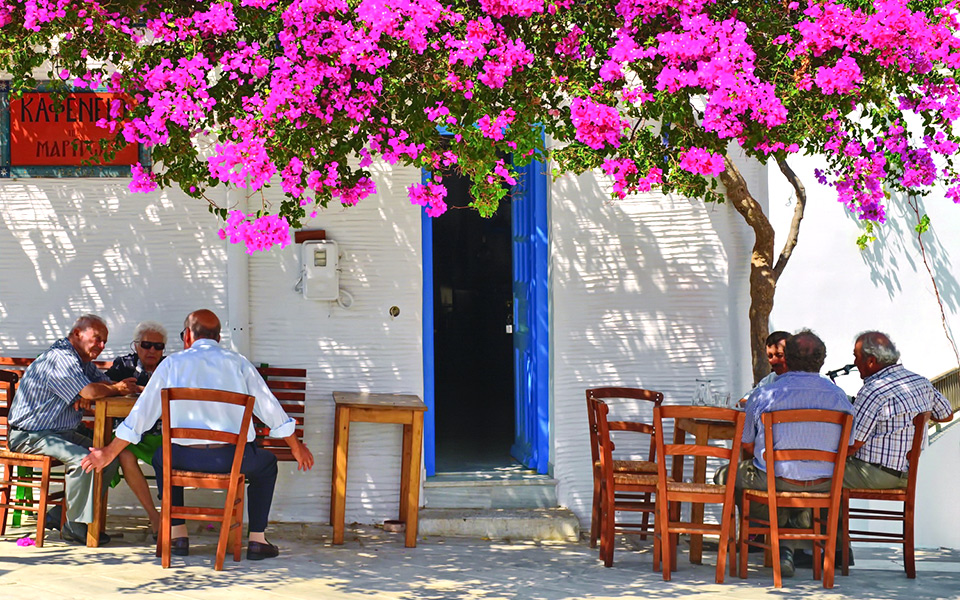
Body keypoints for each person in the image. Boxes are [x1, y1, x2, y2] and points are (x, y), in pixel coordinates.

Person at [82, 309, 314, 561]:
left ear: (188, 336)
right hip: (231, 460)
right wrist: (295, 446)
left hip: (183, 459)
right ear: (218, 337)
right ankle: (257, 540)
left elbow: (141, 416)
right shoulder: (238, 364)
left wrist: (109, 452)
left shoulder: (171, 365)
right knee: (267, 465)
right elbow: (271, 410)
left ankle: (178, 532)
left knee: (163, 457)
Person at [7, 314, 139, 545]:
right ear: (77, 334)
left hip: (57, 432)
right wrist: (99, 390)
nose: (101, 346)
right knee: (85, 460)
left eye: (104, 342)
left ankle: (60, 515)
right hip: (31, 434)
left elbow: (100, 385)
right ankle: (74, 526)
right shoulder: (61, 358)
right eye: (97, 339)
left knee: (108, 458)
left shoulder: (82, 362)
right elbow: (93, 391)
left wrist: (98, 389)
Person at [734, 330, 853, 577]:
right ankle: (795, 542)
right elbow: (848, 447)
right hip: (823, 484)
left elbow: (745, 444)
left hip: (775, 481)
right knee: (803, 488)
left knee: (727, 477)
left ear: (787, 357)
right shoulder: (840, 397)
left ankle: (772, 534)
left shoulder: (764, 394)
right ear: (822, 359)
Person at [845, 331, 953, 490]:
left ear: (871, 361)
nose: (854, 362)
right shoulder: (919, 381)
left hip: (876, 475)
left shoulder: (874, 391)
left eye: (856, 356)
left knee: (818, 479)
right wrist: (919, 414)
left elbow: (852, 444)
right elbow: (946, 415)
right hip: (913, 475)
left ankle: (826, 515)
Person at [103, 320, 168, 536]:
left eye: (158, 347)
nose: (152, 351)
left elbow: (179, 395)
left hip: (164, 435)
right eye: (147, 345)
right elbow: (103, 388)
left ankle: (170, 517)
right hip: (132, 435)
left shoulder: (170, 367)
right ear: (136, 345)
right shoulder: (124, 365)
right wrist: (116, 389)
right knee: (124, 454)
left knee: (173, 454)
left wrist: (144, 390)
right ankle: (154, 516)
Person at [738, 331, 791, 405]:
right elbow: (742, 403)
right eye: (770, 356)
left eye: (779, 355)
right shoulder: (771, 378)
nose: (774, 361)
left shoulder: (806, 378)